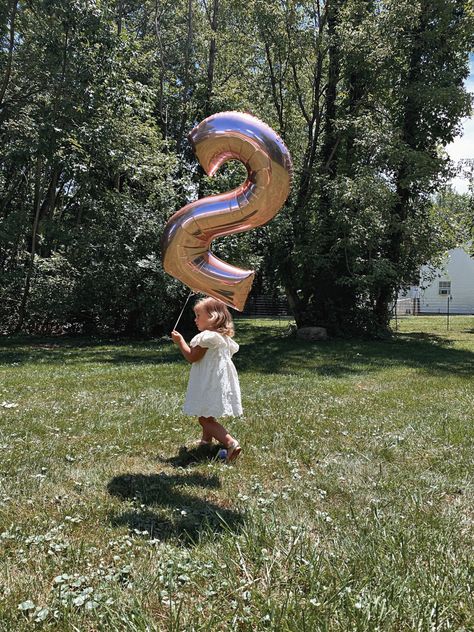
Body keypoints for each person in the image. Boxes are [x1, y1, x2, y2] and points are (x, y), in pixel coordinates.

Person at [171, 296, 242, 463]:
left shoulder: (206, 337)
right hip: (219, 382)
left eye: (198, 316)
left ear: (213, 317)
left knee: (203, 418)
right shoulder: (223, 338)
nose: (195, 320)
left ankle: (230, 443)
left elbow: (192, 357)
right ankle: (206, 441)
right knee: (207, 413)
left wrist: (180, 341)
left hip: (208, 382)